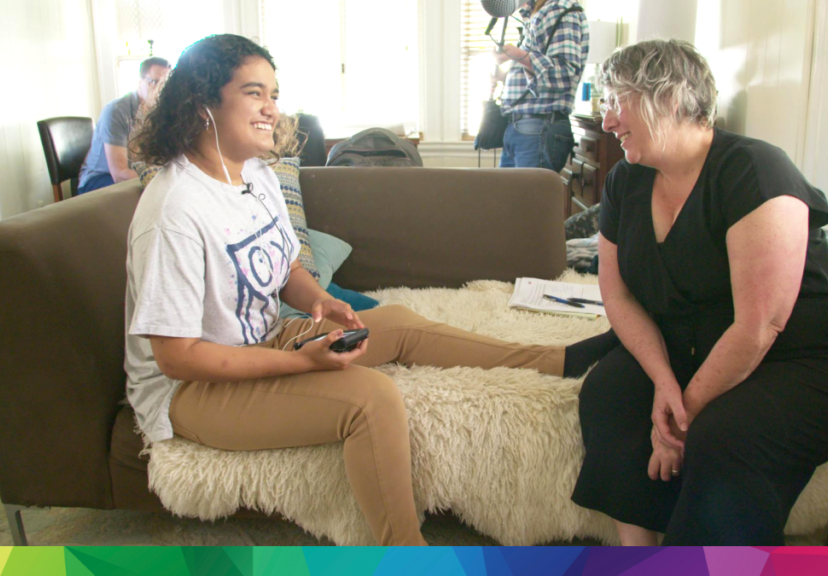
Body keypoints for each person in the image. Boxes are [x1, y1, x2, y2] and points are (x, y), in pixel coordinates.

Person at [125, 34, 570, 546]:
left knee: (399, 320)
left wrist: (321, 301)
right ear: (203, 105)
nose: (272, 108)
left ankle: (558, 359)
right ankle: (405, 554)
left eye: (273, 93)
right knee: (370, 399)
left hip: (260, 340)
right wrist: (302, 362)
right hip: (192, 391)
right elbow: (178, 358)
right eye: (254, 93)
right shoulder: (174, 211)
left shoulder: (254, 174)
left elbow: (286, 264)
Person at [567, 39, 828, 545]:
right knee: (608, 392)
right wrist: (663, 382)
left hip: (807, 357)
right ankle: (637, 554)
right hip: (696, 345)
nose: (606, 122)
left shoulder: (755, 171)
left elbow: (760, 328)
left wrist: (677, 418)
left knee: (722, 437)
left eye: (614, 102)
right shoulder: (625, 181)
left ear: (667, 98)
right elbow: (618, 296)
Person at [493, 0, 588, 172]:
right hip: (524, 128)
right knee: (508, 197)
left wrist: (516, 54)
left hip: (538, 128)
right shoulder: (537, 14)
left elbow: (565, 73)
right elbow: (535, 76)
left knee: (528, 198)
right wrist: (504, 78)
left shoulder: (559, 9)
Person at [77, 57, 171, 194]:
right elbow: (119, 174)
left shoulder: (160, 112)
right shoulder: (116, 111)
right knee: (152, 194)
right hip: (99, 179)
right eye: (155, 82)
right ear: (140, 82)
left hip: (135, 175)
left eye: (165, 84)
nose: (160, 89)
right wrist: (161, 179)